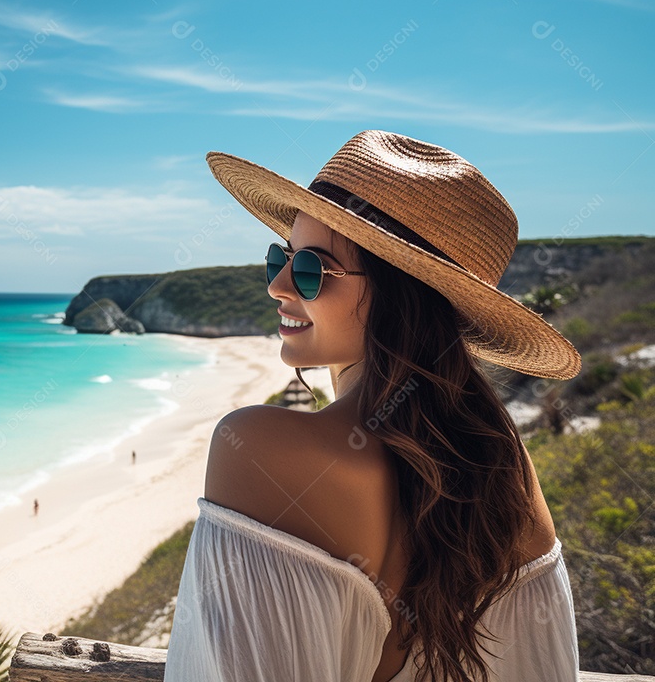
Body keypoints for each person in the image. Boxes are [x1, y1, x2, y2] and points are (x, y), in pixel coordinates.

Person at [163, 130, 582, 682]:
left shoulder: (265, 450)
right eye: (280, 258)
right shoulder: (503, 469)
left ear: (399, 293)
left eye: (312, 269)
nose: (279, 286)